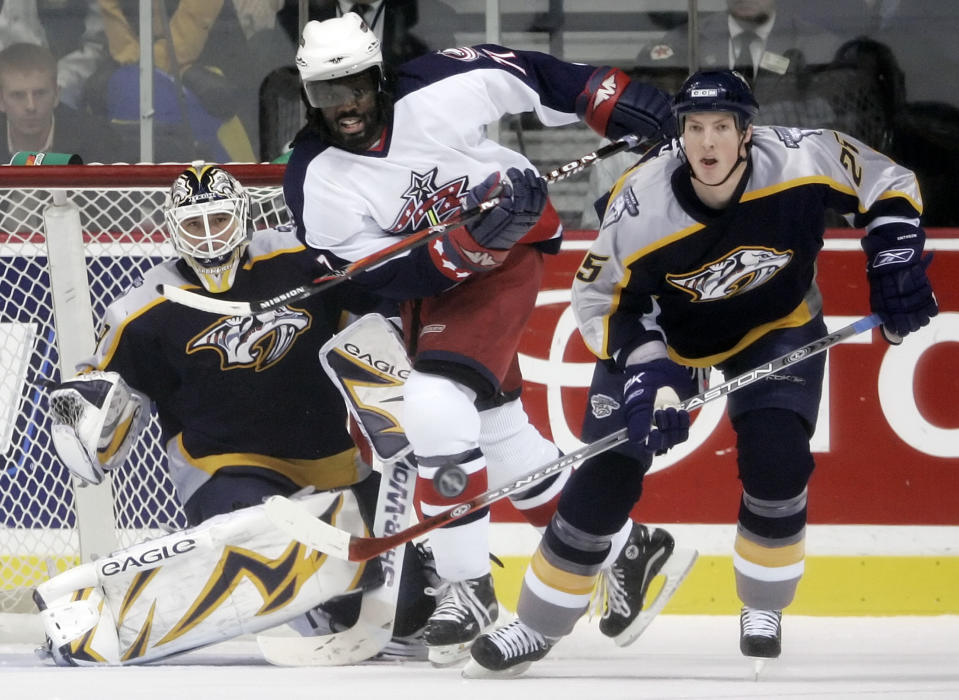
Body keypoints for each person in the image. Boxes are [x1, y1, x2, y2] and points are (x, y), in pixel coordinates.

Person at [466, 69, 938, 676]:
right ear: (680, 135)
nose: (707, 143)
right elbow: (599, 302)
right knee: (605, 476)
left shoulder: (802, 157)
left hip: (776, 325)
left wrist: (894, 251)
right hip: (668, 339)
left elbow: (887, 180)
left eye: (722, 127)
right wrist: (645, 370)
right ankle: (535, 625)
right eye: (694, 128)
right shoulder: (641, 204)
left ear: (748, 133)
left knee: (778, 462)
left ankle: (764, 606)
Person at [283, 13, 694, 665]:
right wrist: (464, 244)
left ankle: (465, 584)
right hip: (442, 276)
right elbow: (385, 274)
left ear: (377, 76)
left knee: (433, 404)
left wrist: (602, 95)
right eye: (326, 93)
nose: (345, 106)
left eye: (355, 85)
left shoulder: (436, 85)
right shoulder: (315, 175)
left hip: (513, 246)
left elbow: (527, 72)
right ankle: (629, 549)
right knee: (496, 437)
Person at [35, 163, 435, 665]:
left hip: (330, 463)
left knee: (409, 603)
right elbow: (108, 396)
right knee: (268, 530)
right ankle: (307, 602)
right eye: (194, 226)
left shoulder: (304, 258)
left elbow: (382, 305)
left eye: (218, 221)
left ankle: (361, 596)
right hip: (223, 470)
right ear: (174, 228)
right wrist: (85, 411)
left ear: (243, 217)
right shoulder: (142, 310)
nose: (207, 238)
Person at [0, 42, 111, 162]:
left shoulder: (97, 138)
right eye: (18, 95)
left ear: (57, 95)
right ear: (1, 100)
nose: (31, 106)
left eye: (40, 93)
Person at [0, 0, 108, 109]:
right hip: (15, 72)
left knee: (60, 106)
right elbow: (7, 36)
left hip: (71, 75)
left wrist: (58, 80)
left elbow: (97, 46)